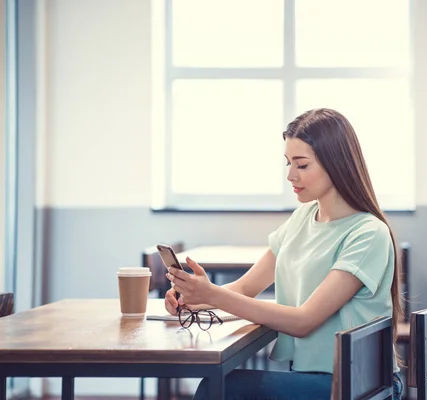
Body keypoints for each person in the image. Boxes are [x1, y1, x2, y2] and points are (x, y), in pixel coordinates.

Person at [165, 108, 404, 400]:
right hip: (317, 379)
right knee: (220, 385)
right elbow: (244, 288)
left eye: (302, 165)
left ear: (337, 164)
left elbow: (303, 321)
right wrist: (195, 299)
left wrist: (213, 295)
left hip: (361, 387)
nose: (291, 175)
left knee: (220, 389)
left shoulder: (368, 233)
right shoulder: (302, 218)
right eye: (288, 163)